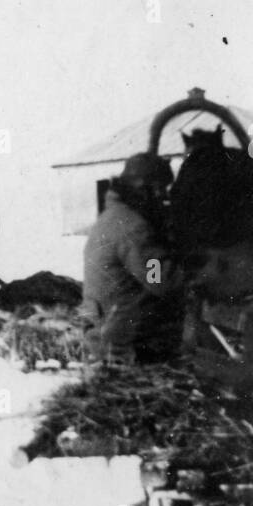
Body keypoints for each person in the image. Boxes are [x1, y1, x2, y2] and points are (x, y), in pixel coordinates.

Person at [81, 152, 182, 364]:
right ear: (145, 188)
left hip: (107, 333)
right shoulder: (133, 228)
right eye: (160, 189)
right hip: (127, 345)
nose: (163, 197)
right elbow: (160, 279)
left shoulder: (112, 217)